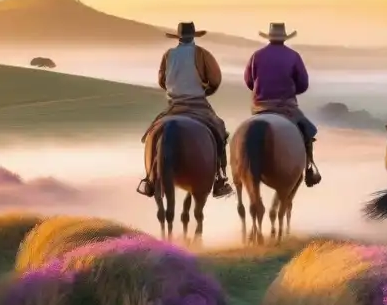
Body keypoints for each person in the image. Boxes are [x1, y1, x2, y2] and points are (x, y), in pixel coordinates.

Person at [138, 21, 232, 198]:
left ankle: (149, 180)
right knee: (220, 129)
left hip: (175, 105)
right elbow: (215, 79)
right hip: (198, 104)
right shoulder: (202, 54)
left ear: (179, 38)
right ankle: (220, 179)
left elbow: (162, 80)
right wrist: (207, 90)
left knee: (152, 132)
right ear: (194, 37)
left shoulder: (168, 55)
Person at [243, 22, 322, 187]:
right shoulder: (293, 56)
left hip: (260, 107)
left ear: (269, 37)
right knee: (309, 130)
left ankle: (239, 168)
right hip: (286, 106)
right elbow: (303, 84)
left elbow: (249, 81)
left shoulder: (256, 56)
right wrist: (292, 90)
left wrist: (260, 91)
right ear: (284, 38)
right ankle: (309, 169)